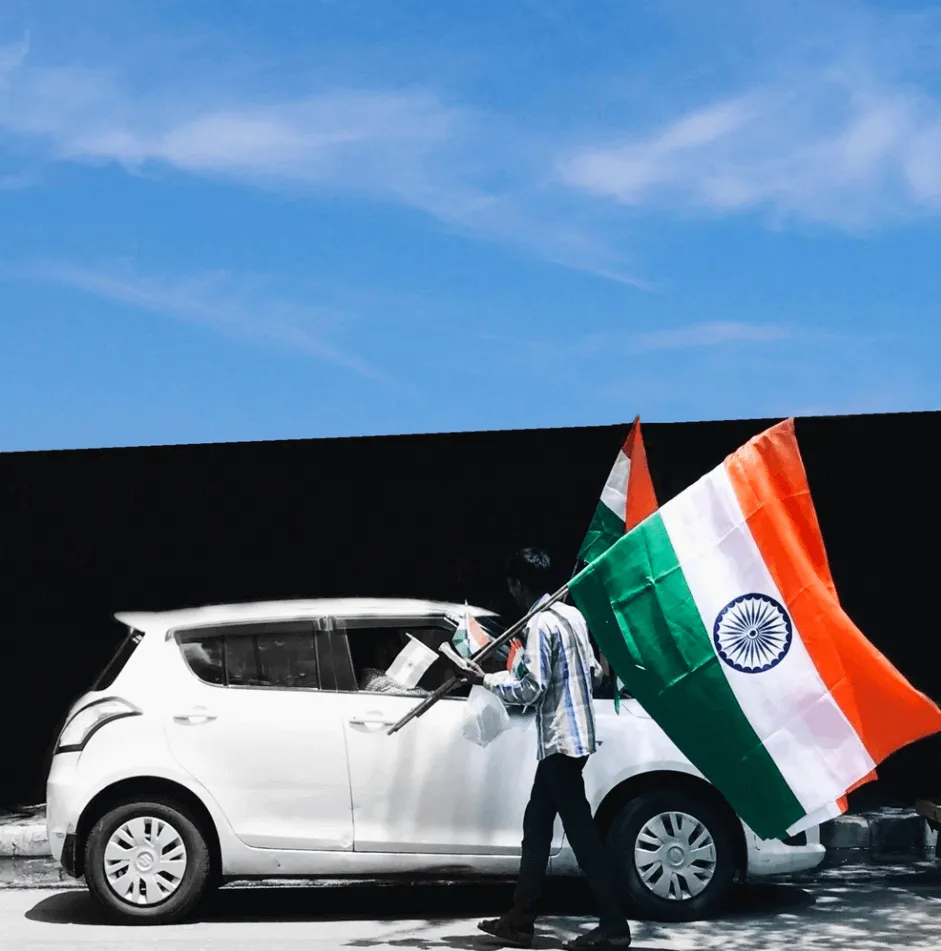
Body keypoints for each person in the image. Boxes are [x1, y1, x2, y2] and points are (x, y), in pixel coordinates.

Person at [460, 548, 633, 951]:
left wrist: (485, 679)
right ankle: (520, 919)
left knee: (582, 835)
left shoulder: (539, 624)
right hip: (577, 737)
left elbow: (532, 689)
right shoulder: (571, 614)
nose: (512, 592)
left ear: (519, 585)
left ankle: (614, 925)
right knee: (536, 827)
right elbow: (593, 672)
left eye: (511, 586)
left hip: (559, 740)